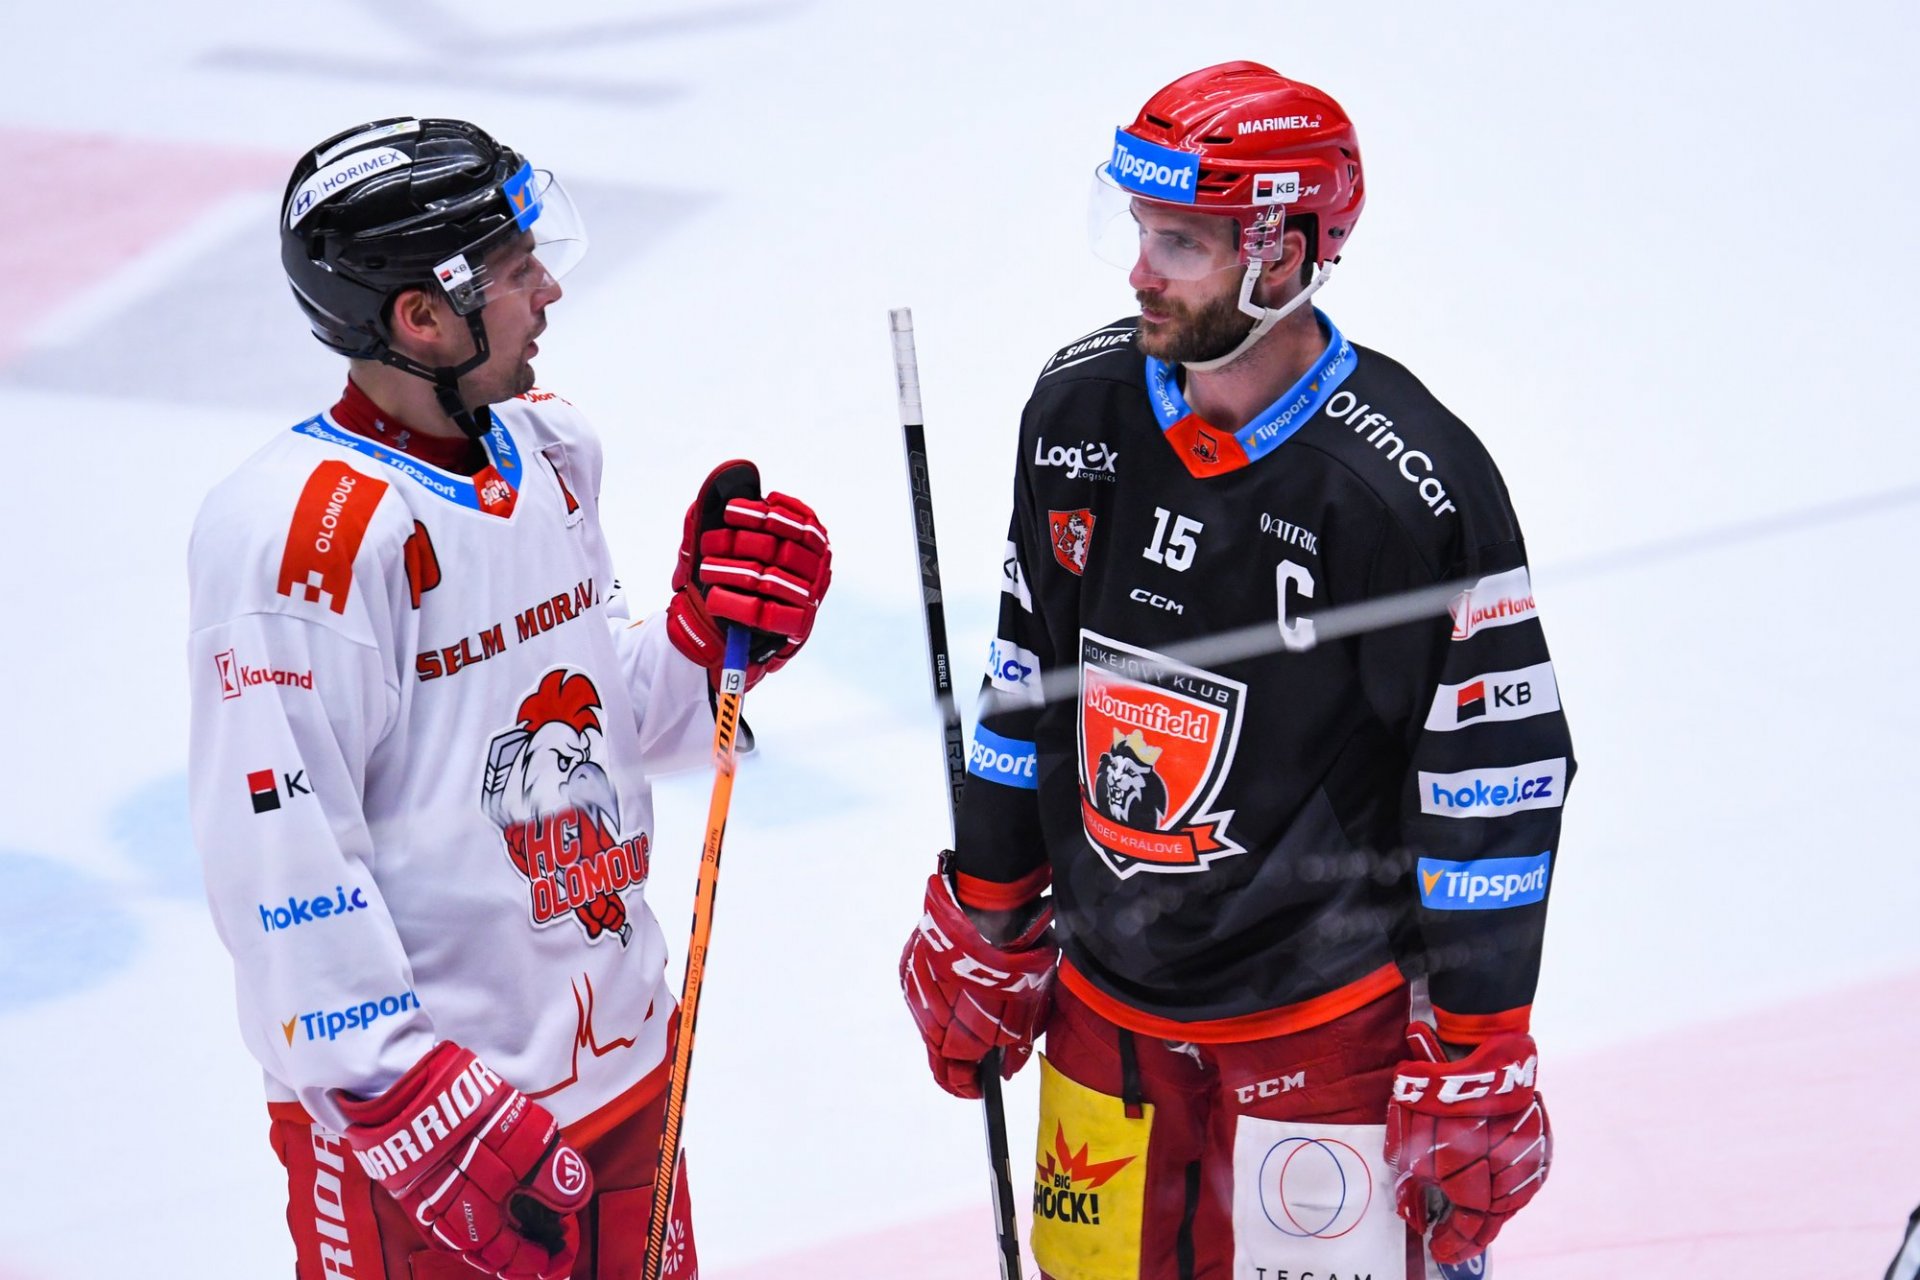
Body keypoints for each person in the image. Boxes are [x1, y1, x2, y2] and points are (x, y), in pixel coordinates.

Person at [900, 63, 1570, 1280]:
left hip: (1328, 1034)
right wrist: (988, 906)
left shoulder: (1407, 484)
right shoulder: (1079, 411)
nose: (1139, 272)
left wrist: (1480, 1045)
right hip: (1107, 1019)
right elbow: (1028, 671)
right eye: (1138, 231)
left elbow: (1490, 774)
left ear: (1283, 255)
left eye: (1181, 243)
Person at [188, 116, 830, 1280]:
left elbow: (599, 724)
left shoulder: (551, 452)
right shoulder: (300, 538)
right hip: (431, 1134)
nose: (549, 291)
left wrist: (705, 646)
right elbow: (280, 850)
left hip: (625, 1071)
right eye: (515, 269)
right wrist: (403, 1094)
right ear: (421, 317)